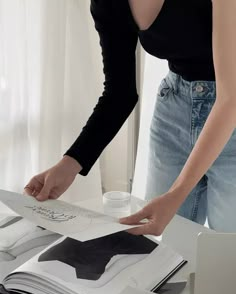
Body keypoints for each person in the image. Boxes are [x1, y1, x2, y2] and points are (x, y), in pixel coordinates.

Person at [24, 0, 236, 236]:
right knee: (169, 244)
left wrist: (176, 194)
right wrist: (70, 163)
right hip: (174, 108)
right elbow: (119, 93)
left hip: (231, 109)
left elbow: (230, 99)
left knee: (228, 249)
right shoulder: (109, 4)